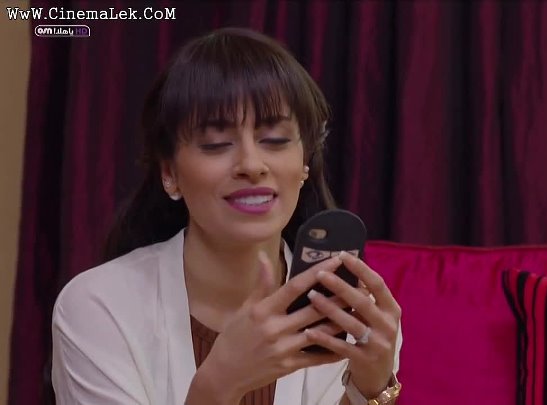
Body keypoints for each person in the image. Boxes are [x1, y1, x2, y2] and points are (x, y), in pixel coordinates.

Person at [51, 27, 402, 405]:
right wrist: (221, 383)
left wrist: (371, 389)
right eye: (216, 144)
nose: (251, 164)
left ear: (305, 163)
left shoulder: (346, 309)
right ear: (169, 172)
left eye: (275, 140)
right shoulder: (97, 307)